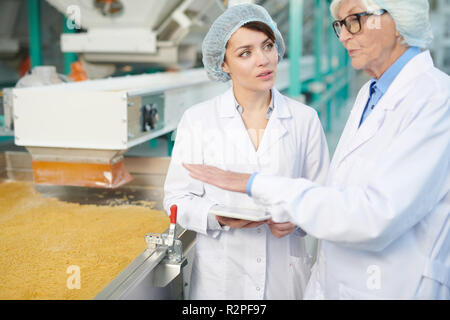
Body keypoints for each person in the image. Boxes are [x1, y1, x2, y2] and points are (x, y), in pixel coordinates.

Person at [183, 0, 450, 299]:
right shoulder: (370, 92)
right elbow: (337, 192)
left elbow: (375, 215)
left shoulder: (436, 99)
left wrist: (254, 184)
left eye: (355, 20)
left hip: (394, 286)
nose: (345, 36)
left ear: (399, 19)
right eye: (340, 25)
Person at [163, 3, 329, 300]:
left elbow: (322, 197)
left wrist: (297, 219)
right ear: (223, 64)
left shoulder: (305, 119)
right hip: (222, 283)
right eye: (245, 53)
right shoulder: (198, 120)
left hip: (284, 278)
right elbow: (176, 199)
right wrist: (218, 217)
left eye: (268, 46)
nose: (264, 60)